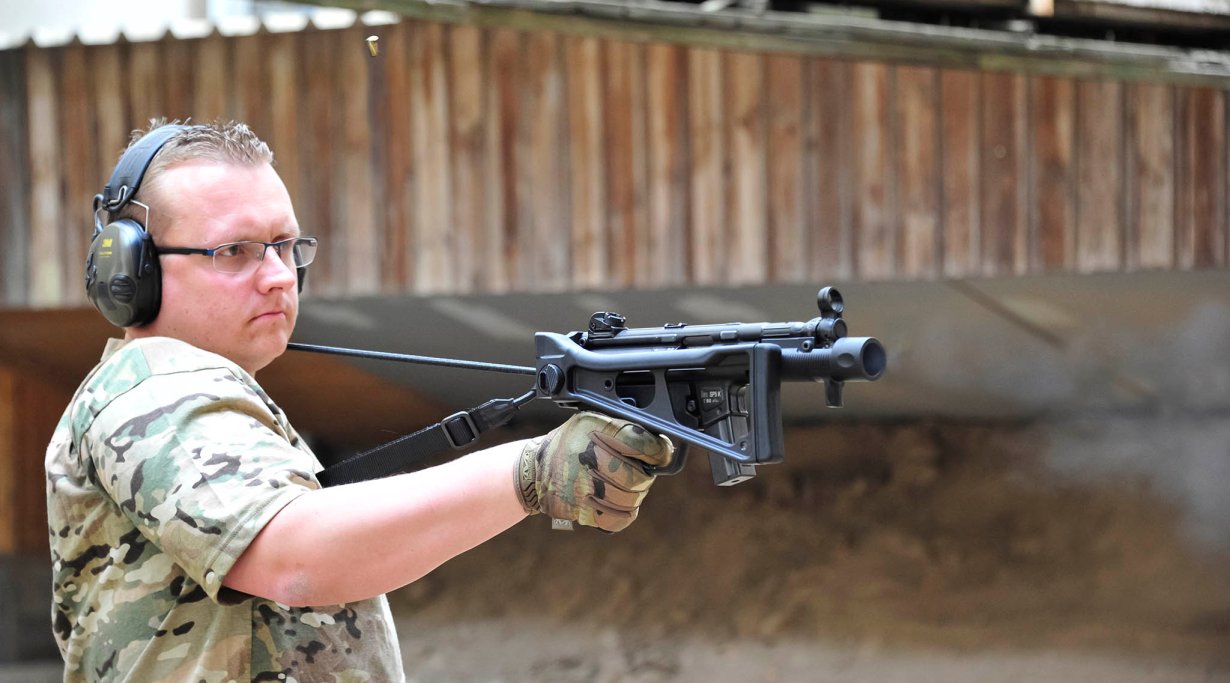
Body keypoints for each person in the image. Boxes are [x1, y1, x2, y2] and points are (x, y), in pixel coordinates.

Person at [44, 120, 674, 682]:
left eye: (287, 246)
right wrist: (529, 474)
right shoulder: (153, 385)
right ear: (130, 272)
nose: (278, 275)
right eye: (233, 251)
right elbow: (294, 558)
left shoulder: (200, 389)